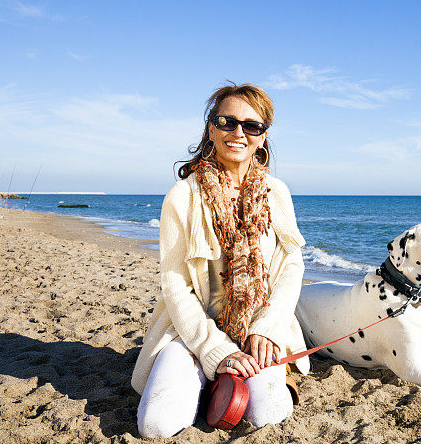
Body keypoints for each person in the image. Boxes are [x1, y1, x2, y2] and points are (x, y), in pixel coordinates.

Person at [131, 83, 309, 438]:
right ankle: (206, 376)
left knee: (267, 416)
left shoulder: (278, 192)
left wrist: (267, 329)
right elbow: (176, 284)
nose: (238, 133)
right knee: (156, 425)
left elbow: (292, 265)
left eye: (251, 126)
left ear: (263, 135)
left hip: (261, 329)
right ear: (211, 128)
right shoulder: (182, 196)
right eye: (227, 122)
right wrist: (214, 349)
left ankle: (252, 376)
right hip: (193, 332)